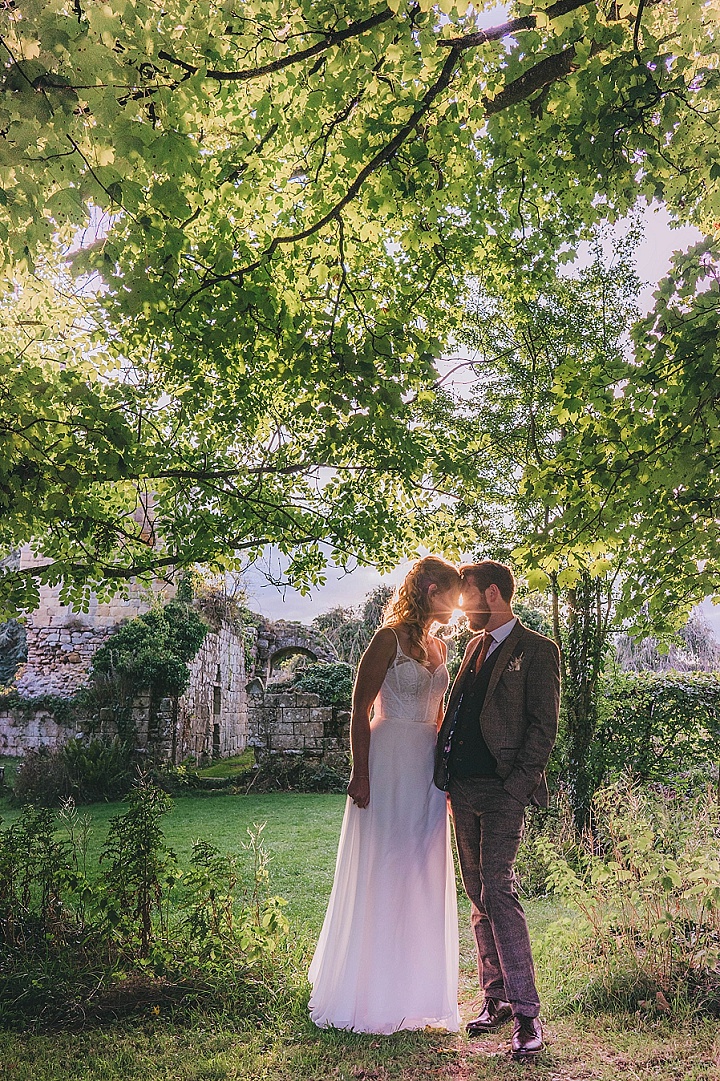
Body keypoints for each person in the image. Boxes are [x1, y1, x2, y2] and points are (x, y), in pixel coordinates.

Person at [308, 556, 462, 1034]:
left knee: (421, 865)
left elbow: (439, 718)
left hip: (426, 765)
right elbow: (359, 707)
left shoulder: (441, 648)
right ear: (431, 589)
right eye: (453, 594)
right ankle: (370, 989)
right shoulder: (387, 639)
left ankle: (415, 989)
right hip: (388, 756)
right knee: (386, 863)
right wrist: (361, 772)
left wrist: (447, 775)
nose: (458, 605)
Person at [434, 561, 560, 1061]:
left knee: (499, 891)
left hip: (503, 791)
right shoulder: (473, 647)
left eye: (467, 598)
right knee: (477, 894)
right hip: (461, 790)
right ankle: (496, 999)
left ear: (492, 593)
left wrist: (515, 789)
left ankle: (528, 1013)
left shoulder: (537, 650)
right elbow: (463, 712)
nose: (462, 609)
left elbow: (543, 728)